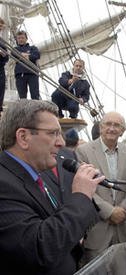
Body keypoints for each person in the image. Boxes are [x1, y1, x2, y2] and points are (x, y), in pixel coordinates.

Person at [0, 99, 105, 275]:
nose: (61, 143)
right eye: (53, 133)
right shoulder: (4, 183)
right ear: (23, 137)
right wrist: (80, 196)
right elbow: (40, 248)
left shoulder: (33, 177)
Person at [76, 111, 126, 263]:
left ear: (122, 131)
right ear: (101, 127)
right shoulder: (84, 151)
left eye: (117, 125)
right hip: (98, 228)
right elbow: (83, 188)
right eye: (108, 124)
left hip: (123, 225)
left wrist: (124, 209)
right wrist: (109, 212)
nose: (112, 128)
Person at [14, 30, 40, 99]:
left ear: (26, 38)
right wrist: (28, 55)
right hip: (20, 74)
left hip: (32, 73)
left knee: (35, 95)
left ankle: (36, 109)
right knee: (22, 97)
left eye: (22, 38)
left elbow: (37, 55)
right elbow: (14, 54)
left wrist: (22, 56)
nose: (20, 40)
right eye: (19, 38)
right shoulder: (15, 49)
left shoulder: (33, 48)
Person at [0, 18, 9, 117]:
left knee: (1, 88)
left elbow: (7, 58)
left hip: (0, 68)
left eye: (1, 27)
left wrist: (3, 55)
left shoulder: (2, 42)